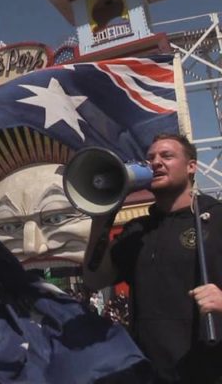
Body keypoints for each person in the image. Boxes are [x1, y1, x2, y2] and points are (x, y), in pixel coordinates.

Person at [83, 133, 222, 383]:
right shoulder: (138, 230)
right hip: (151, 373)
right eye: (150, 158)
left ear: (191, 167)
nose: (156, 162)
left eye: (167, 156)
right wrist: (100, 220)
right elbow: (95, 278)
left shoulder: (217, 218)